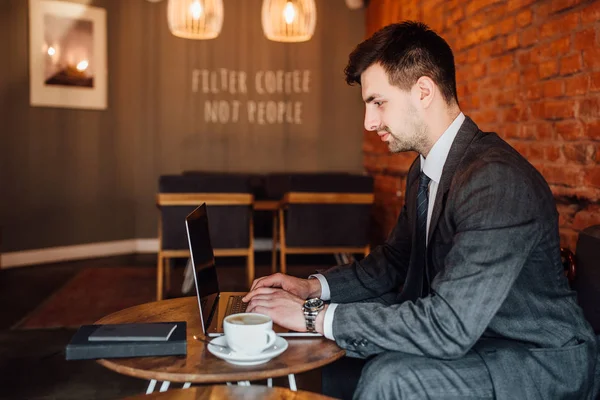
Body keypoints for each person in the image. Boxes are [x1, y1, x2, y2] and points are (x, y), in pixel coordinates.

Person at [242, 21, 598, 399]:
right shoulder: (424, 170)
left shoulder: (496, 179)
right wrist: (313, 288)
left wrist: (312, 315)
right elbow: (395, 260)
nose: (369, 122)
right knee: (328, 357)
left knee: (390, 377)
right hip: (475, 339)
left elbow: (449, 325)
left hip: (534, 359)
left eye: (378, 102)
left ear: (424, 91)